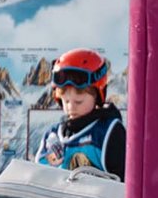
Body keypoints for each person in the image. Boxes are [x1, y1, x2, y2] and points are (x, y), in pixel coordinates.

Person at [34, 49, 126, 179]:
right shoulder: (53, 135)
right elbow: (39, 177)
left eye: (79, 102)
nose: (71, 107)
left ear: (97, 96)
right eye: (66, 101)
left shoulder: (107, 133)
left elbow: (124, 184)